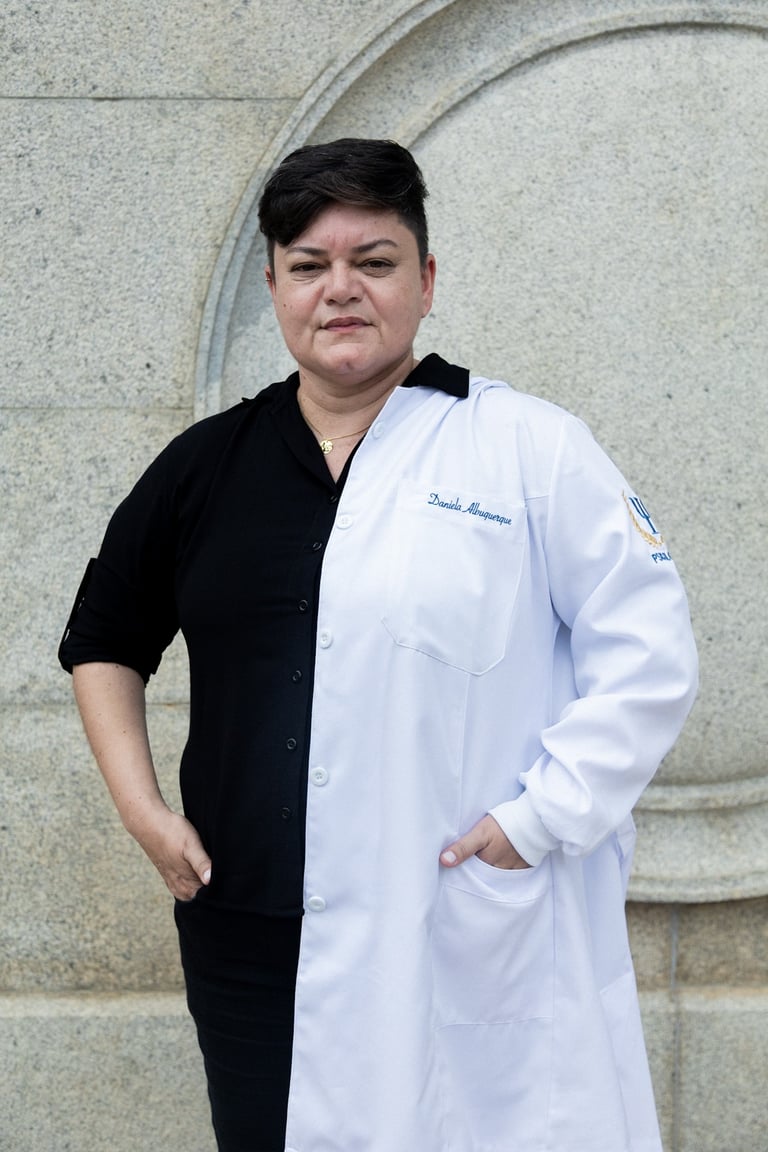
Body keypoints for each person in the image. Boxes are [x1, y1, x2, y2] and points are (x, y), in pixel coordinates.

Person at [59, 137, 698, 1152]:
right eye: (309, 264)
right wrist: (144, 813)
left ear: (426, 281)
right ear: (274, 286)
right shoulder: (207, 467)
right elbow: (105, 635)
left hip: (451, 915)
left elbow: (650, 652)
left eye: (375, 261)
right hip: (250, 934)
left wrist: (540, 817)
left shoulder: (528, 448)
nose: (340, 289)